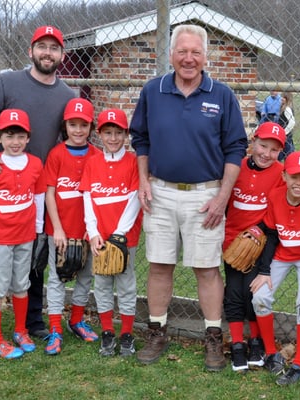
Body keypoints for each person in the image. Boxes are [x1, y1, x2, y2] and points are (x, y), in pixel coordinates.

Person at [129, 24, 248, 371]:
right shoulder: (153, 91)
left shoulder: (221, 95)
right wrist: (143, 181)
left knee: (207, 269)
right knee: (160, 265)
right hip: (161, 192)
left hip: (206, 196)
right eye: (182, 51)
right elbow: (141, 139)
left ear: (205, 56)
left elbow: (235, 147)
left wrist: (222, 198)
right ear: (170, 54)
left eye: (195, 52)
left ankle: (213, 338)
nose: (188, 58)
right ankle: (156, 332)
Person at [0, 25, 75, 351]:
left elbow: (69, 143)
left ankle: (32, 323)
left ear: (62, 55)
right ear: (31, 51)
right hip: (0, 190)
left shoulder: (68, 96)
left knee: (34, 260)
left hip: (36, 191)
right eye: (42, 46)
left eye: (54, 47)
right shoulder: (6, 82)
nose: (47, 53)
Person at [249, 150, 300, 385]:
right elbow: (272, 235)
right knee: (260, 297)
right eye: (294, 176)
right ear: (284, 176)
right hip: (281, 255)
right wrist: (264, 271)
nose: (299, 183)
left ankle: (298, 363)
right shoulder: (275, 196)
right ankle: (271, 353)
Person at [0, 109, 46, 359]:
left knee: (21, 285)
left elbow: (39, 197)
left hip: (25, 236)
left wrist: (37, 230)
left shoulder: (35, 164)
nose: (15, 142)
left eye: (20, 136)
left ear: (28, 138)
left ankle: (20, 330)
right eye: (9, 135)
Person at [223, 121, 287, 372]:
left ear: (280, 152)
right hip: (232, 242)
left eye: (273, 150)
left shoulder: (280, 174)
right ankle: (237, 343)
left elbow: (278, 210)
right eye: (262, 145)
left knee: (253, 294)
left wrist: (258, 229)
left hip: (261, 243)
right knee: (234, 293)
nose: (266, 154)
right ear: (253, 142)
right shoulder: (235, 167)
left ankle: (256, 341)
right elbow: (225, 203)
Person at [81, 108, 142, 357]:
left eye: (119, 132)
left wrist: (119, 234)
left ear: (126, 134)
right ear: (100, 134)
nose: (114, 138)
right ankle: (107, 332)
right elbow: (88, 197)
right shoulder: (92, 162)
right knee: (103, 284)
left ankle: (126, 334)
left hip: (124, 237)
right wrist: (93, 232)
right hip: (98, 236)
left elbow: (135, 200)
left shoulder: (133, 162)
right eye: (108, 132)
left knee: (126, 284)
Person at [42, 98, 101, 355]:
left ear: (91, 127)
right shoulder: (56, 154)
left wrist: (95, 230)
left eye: (83, 125)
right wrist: (57, 229)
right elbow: (49, 193)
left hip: (87, 230)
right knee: (57, 278)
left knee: (86, 276)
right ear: (65, 125)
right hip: (60, 230)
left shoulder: (97, 156)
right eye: (73, 124)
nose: (78, 130)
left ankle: (76, 320)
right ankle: (55, 327)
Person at [277, 92, 295, 161]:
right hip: (284, 137)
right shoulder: (282, 107)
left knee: (287, 155)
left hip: (286, 138)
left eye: (283, 97)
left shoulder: (287, 109)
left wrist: (284, 132)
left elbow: (292, 122)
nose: (281, 99)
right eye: (281, 97)